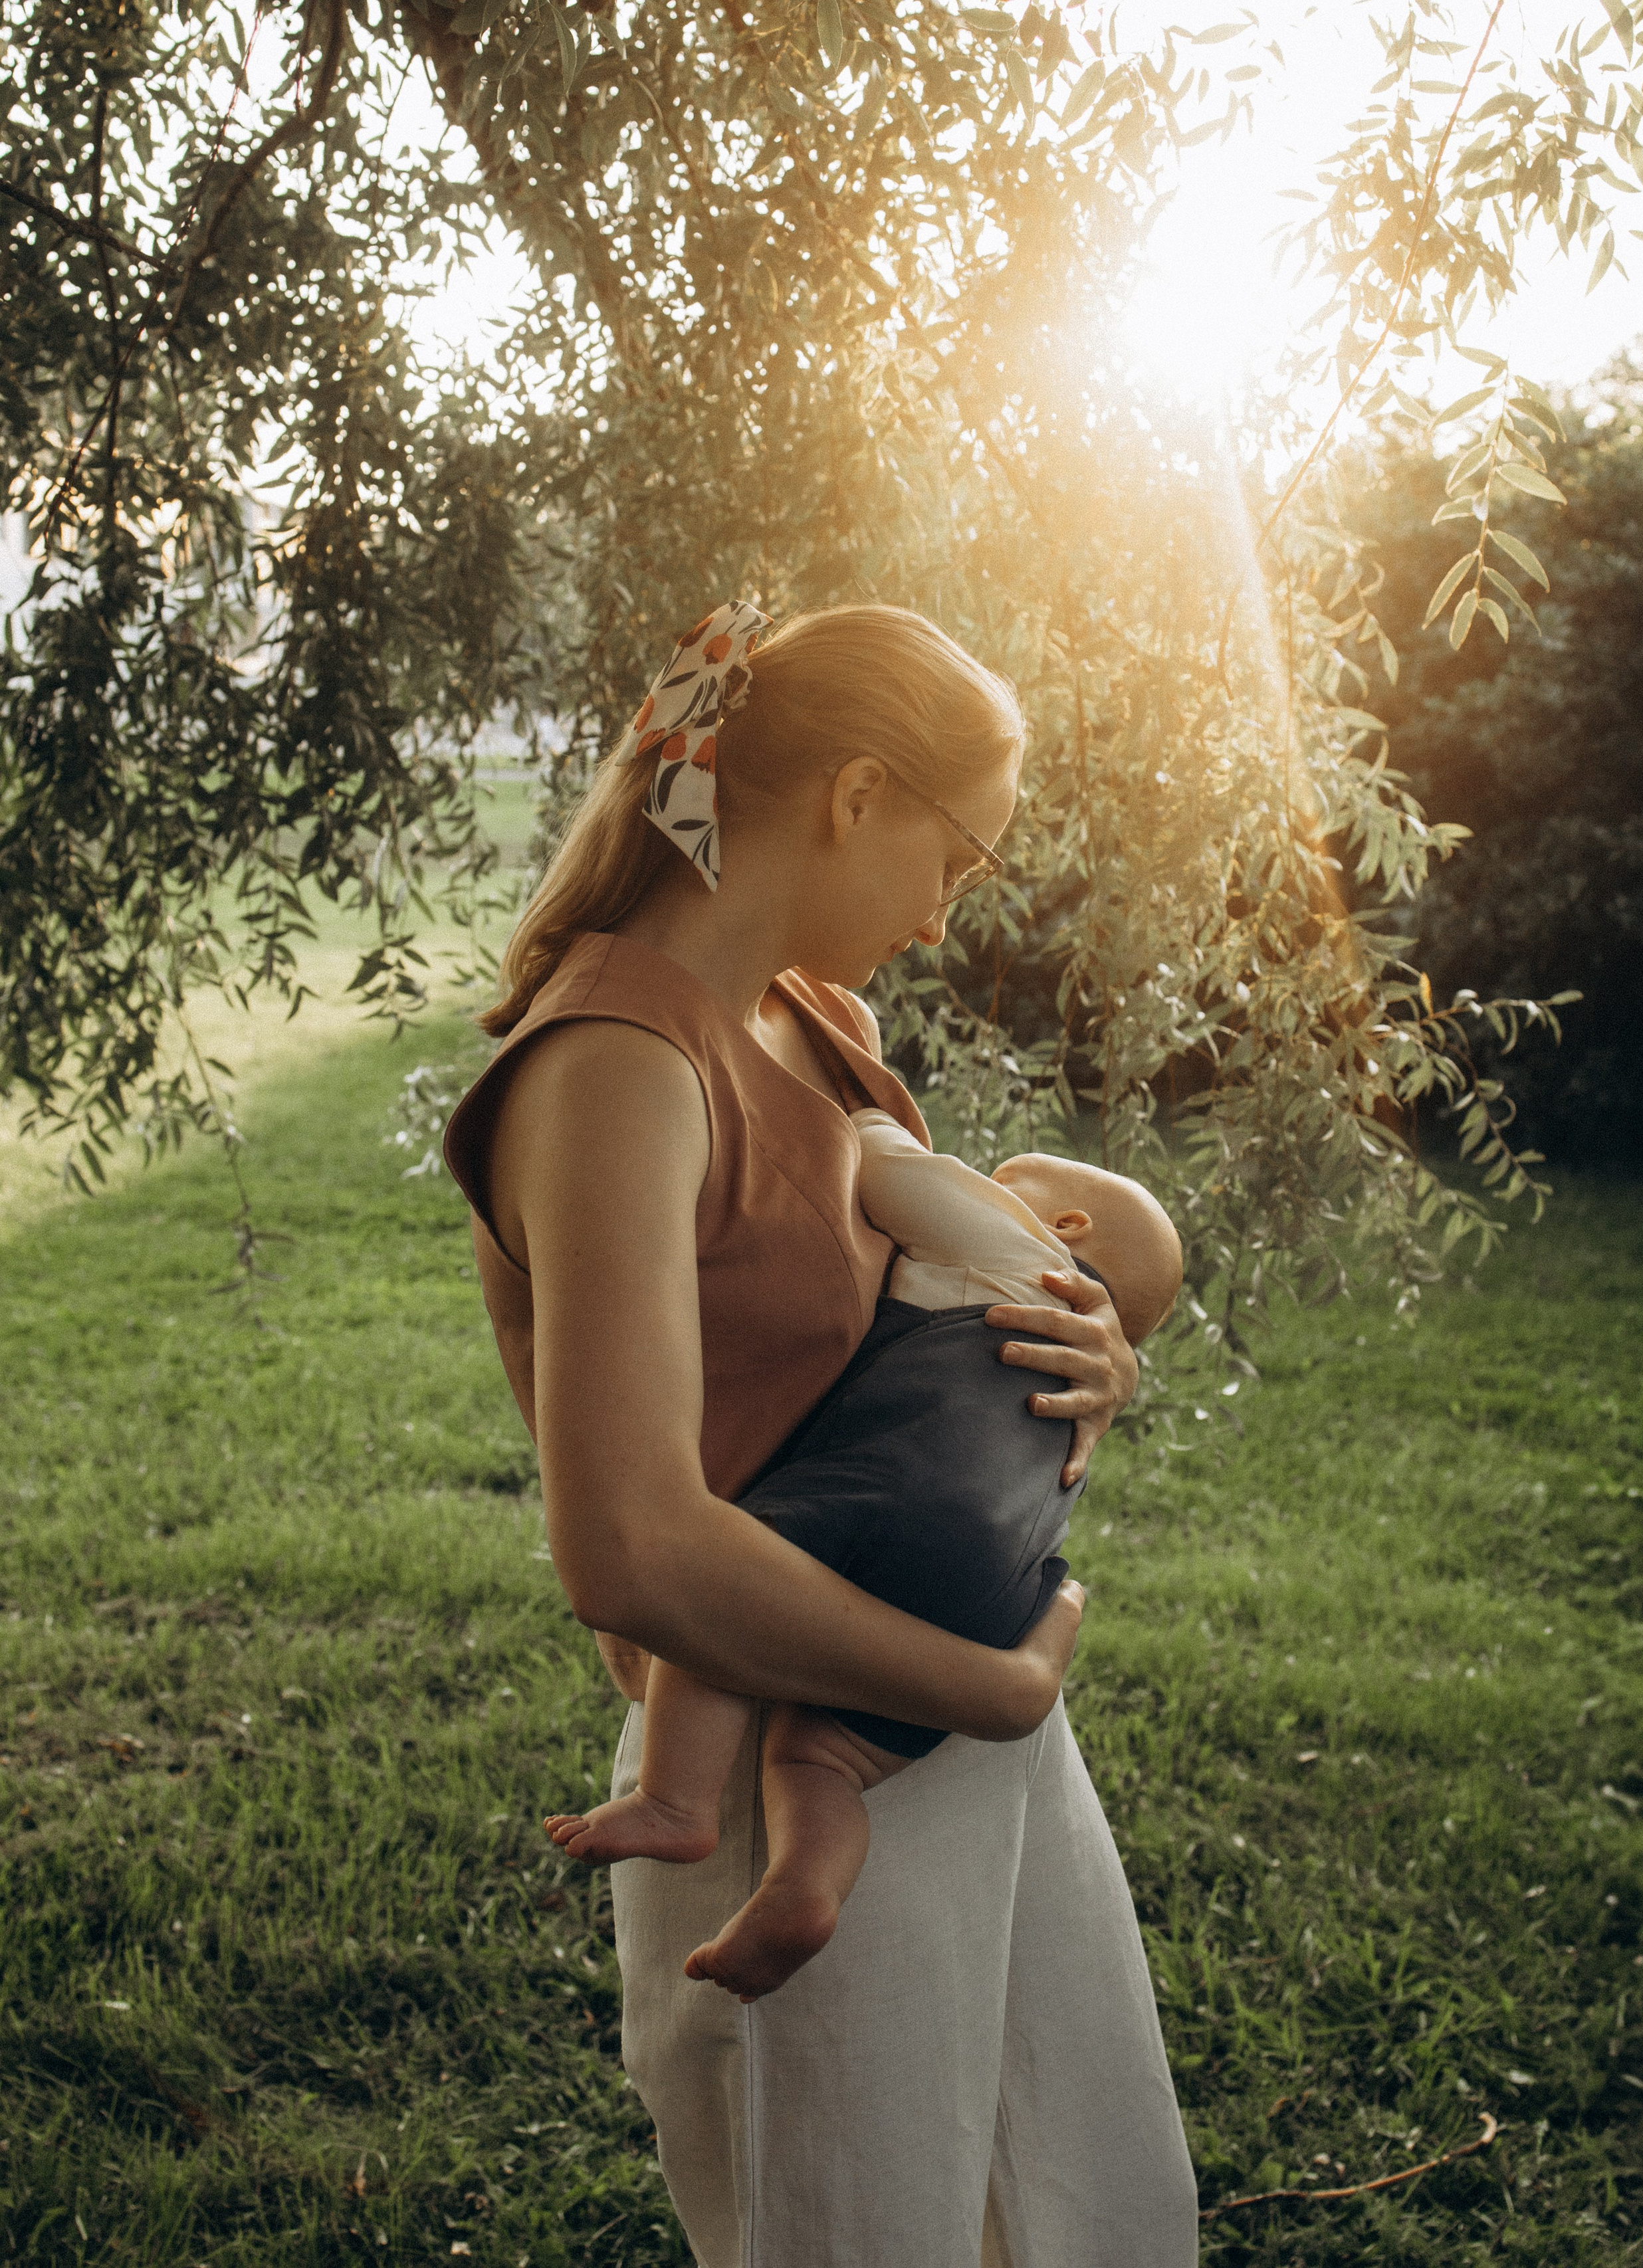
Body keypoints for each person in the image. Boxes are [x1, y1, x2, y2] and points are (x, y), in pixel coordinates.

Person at [443, 601, 1198, 2268]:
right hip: (787, 1787)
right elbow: (630, 1543)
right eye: (960, 858)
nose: (948, 914)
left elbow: (885, 1324)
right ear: (857, 794)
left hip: (947, 1752)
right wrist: (987, 1686)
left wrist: (1079, 1347)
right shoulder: (617, 1068)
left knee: (1081, 2205)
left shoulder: (806, 1020)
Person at [542, 1118, 1184, 2006]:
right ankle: (807, 1883)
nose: (983, 1179)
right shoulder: (1077, 1345)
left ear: (1064, 1226)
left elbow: (892, 1176)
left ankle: (677, 1800)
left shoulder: (1019, 1248)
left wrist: (866, 1123)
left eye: (1005, 1174)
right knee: (824, 1757)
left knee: (723, 1593)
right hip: (997, 1584)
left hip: (897, 1494)